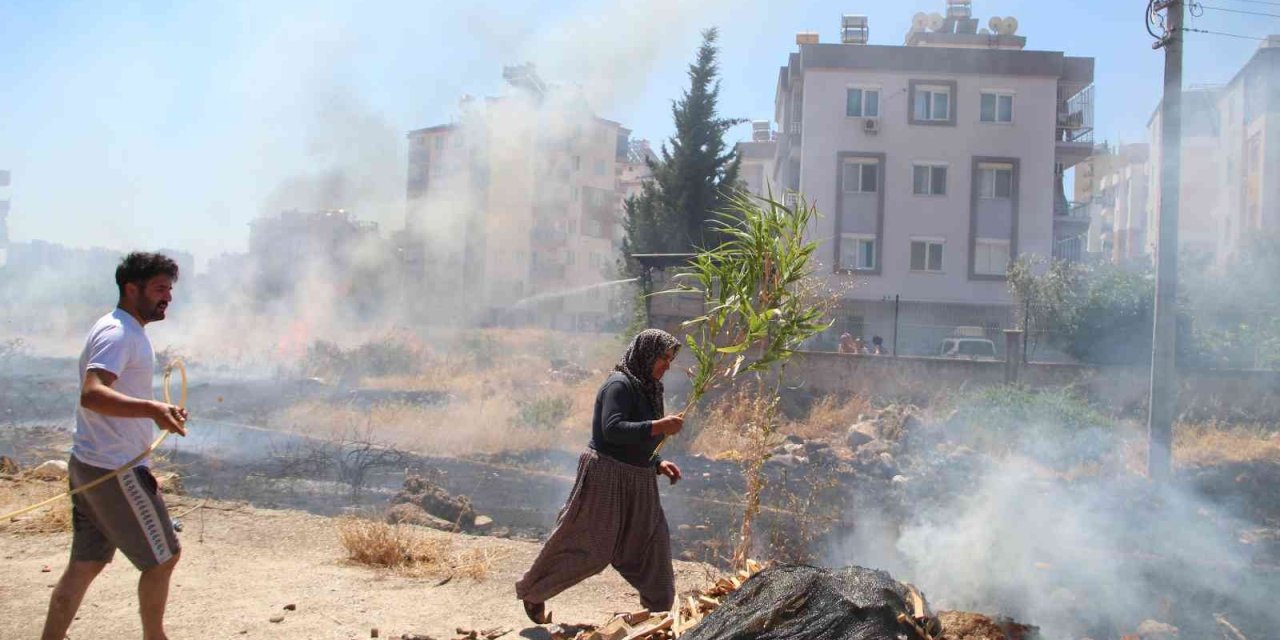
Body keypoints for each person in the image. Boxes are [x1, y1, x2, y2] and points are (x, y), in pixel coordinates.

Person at [41, 252, 189, 640]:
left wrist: (157, 410)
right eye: (159, 288)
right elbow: (93, 393)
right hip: (114, 469)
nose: (167, 297)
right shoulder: (120, 333)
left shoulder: (119, 328)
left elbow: (112, 394)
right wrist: (152, 409)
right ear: (131, 288)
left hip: (91, 463)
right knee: (163, 558)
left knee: (85, 564)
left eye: (169, 289)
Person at [516, 329, 685, 624]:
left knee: (651, 542)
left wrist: (657, 463)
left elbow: (639, 438)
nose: (667, 366)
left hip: (639, 479)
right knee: (590, 546)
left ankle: (658, 613)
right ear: (646, 355)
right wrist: (659, 426)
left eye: (670, 359)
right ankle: (534, 591)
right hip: (607, 475)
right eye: (663, 358)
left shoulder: (650, 389)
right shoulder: (619, 385)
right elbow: (612, 429)